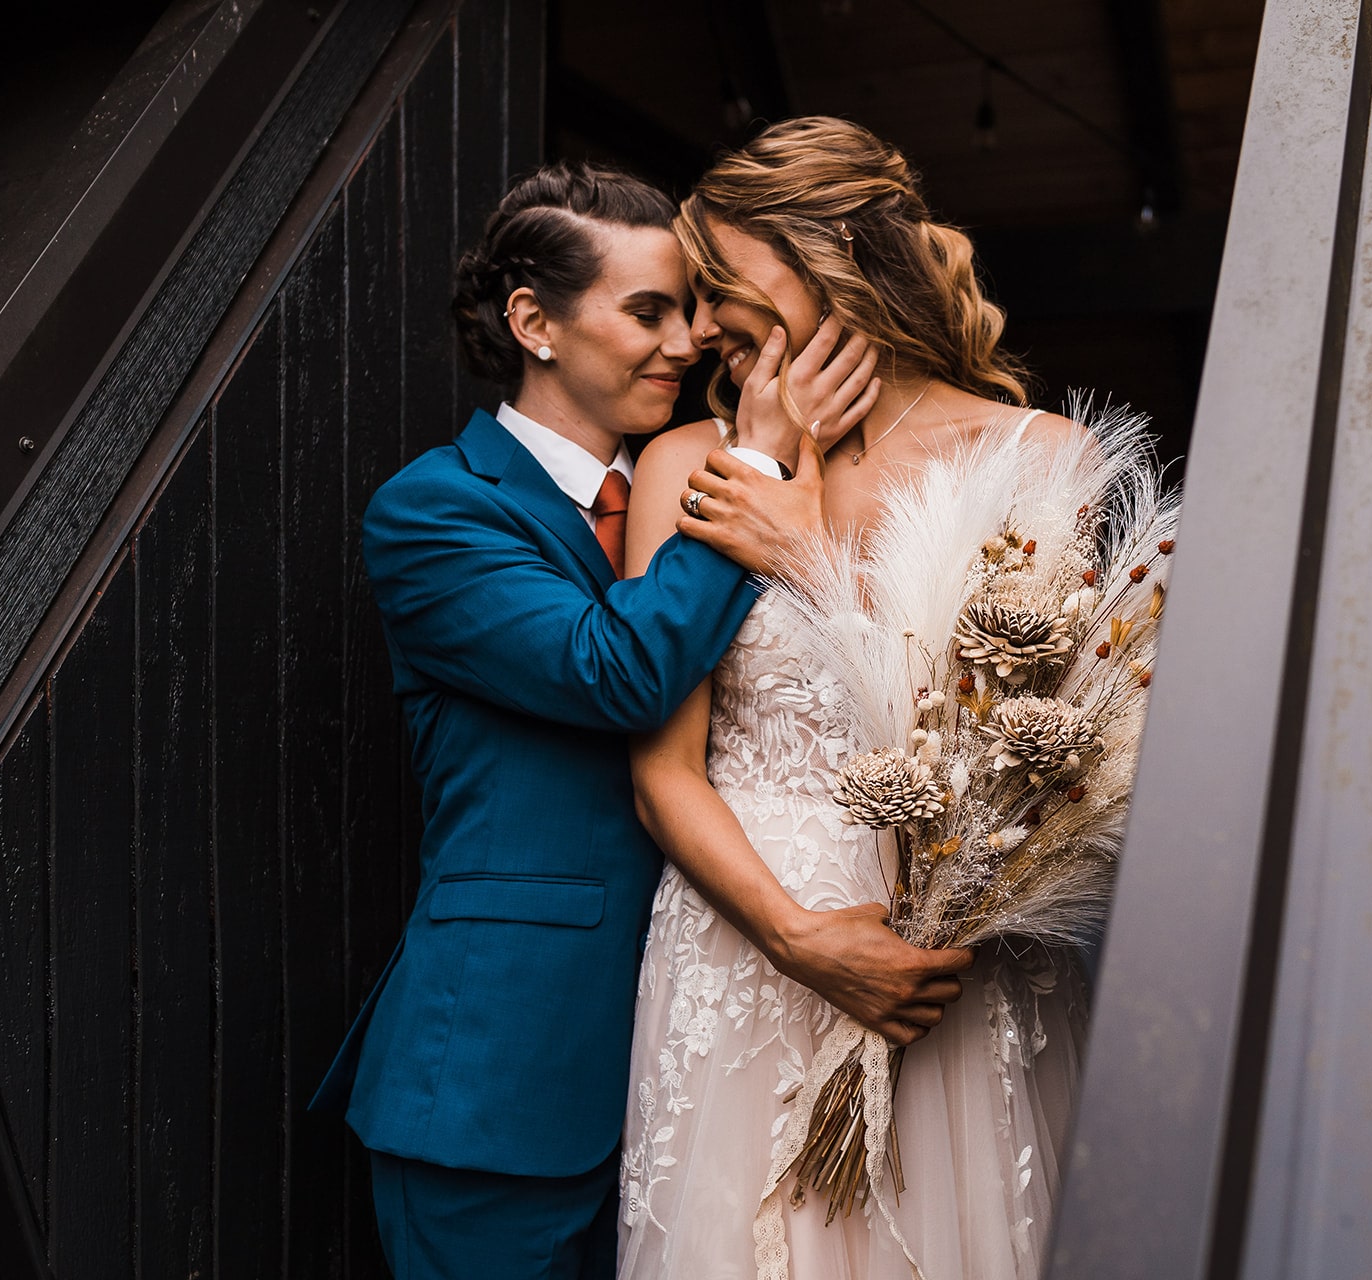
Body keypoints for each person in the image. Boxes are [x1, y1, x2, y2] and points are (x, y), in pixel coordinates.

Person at [310, 160, 971, 1280]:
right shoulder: (435, 510)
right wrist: (754, 463)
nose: (690, 339)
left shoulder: (681, 479)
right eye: (649, 311)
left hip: (700, 1064)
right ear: (535, 323)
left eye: (697, 306)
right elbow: (612, 668)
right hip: (504, 1082)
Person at [619, 118, 1090, 1279]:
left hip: (941, 970)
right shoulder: (687, 466)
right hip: (741, 947)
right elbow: (662, 767)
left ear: (827, 249)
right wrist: (797, 939)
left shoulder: (1041, 455)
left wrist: (805, 555)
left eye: (724, 281)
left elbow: (1025, 747)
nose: (707, 320)